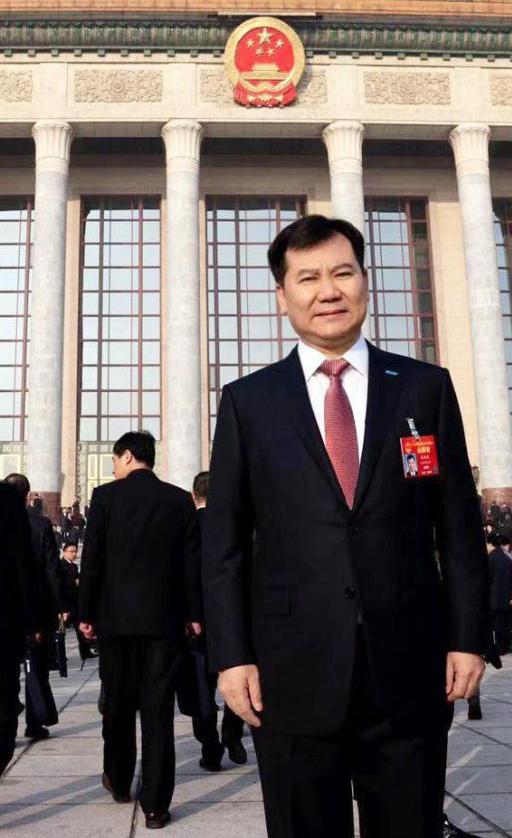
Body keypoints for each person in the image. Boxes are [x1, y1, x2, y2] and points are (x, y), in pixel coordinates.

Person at [202, 215, 488, 838]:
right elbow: (223, 546)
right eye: (307, 278)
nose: (327, 291)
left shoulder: (423, 388)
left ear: (365, 282)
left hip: (409, 667)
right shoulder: (249, 402)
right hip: (289, 672)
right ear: (283, 296)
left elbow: (459, 530)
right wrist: (231, 657)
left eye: (342, 273)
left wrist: (468, 638)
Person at [79, 430, 203, 830]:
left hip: (115, 623)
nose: (114, 467)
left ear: (129, 456)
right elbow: (191, 563)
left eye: (115, 460)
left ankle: (118, 780)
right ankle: (156, 806)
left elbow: (92, 561)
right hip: (165, 623)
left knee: (117, 705)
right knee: (158, 712)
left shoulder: (105, 498)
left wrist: (86, 612)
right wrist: (194, 613)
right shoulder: (178, 499)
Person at [189, 471, 246, 772]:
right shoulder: (235, 524)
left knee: (202, 688)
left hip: (198, 621)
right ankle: (232, 732)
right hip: (233, 616)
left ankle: (210, 747)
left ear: (193, 495)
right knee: (238, 674)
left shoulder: (187, 525)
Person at [5, 472, 66, 741]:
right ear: (28, 495)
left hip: (6, 610)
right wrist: (61, 606)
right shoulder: (40, 525)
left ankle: (8, 715)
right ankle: (34, 721)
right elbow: (52, 570)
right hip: (35, 610)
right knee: (36, 668)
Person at [0, 482, 39, 774]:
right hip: (6, 626)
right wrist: (33, 621)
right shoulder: (9, 502)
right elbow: (25, 568)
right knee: (5, 706)